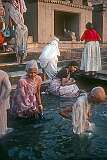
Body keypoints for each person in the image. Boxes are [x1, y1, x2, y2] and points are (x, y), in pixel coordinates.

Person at [0, 70, 12, 138]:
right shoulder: (3, 73)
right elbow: (9, 88)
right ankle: (3, 130)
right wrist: (3, 98)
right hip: (2, 101)